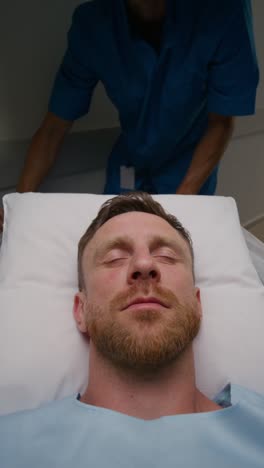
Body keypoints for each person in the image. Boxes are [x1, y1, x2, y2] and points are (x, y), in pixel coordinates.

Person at [0, 191, 264, 467]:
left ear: (197, 306)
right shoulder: (10, 446)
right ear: (81, 311)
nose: (144, 264)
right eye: (114, 258)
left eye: (165, 255)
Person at [0, 0, 259, 232]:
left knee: (171, 244)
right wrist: (19, 206)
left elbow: (221, 122)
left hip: (189, 166)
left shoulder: (222, 11)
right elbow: (52, 129)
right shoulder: (94, 25)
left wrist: (182, 202)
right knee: (114, 234)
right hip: (131, 161)